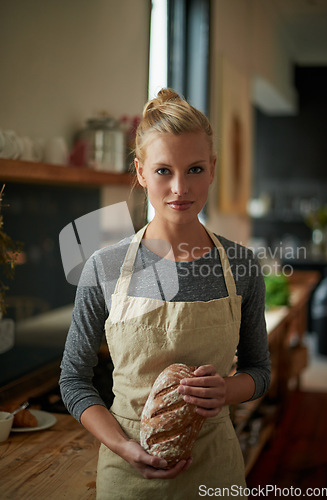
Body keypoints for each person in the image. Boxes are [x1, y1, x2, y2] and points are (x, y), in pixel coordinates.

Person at [59, 88, 270, 499]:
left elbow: (259, 371)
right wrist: (122, 445)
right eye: (162, 171)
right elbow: (73, 380)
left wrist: (228, 390)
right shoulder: (103, 267)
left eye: (194, 169)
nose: (179, 188)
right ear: (140, 172)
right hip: (127, 473)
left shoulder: (242, 265)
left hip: (215, 468)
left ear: (212, 169)